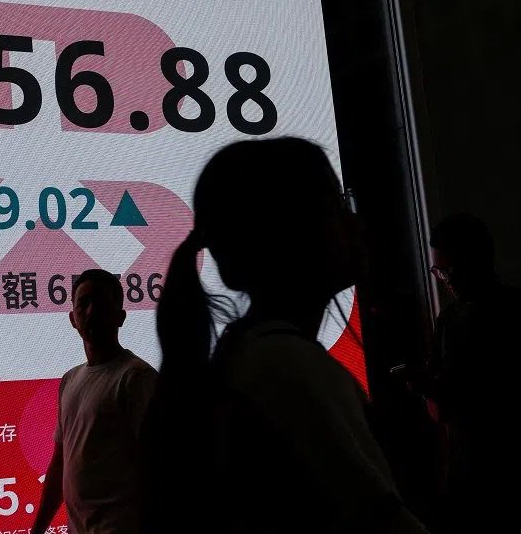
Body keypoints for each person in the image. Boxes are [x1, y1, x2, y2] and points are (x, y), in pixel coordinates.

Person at [140, 137, 429, 533]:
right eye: (337, 205)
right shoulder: (287, 367)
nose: (357, 221)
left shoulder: (253, 355)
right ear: (291, 232)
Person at [31, 269, 158, 534]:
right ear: (72, 318)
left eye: (101, 304)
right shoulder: (70, 380)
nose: (90, 312)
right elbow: (59, 465)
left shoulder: (136, 378)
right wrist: (38, 529)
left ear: (120, 317)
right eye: (83, 303)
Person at [416, 213, 520, 532]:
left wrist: (430, 388)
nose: (448, 280)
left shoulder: (453, 321)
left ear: (482, 259)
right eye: (440, 271)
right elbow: (442, 412)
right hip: (468, 480)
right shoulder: (447, 321)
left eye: (453, 270)